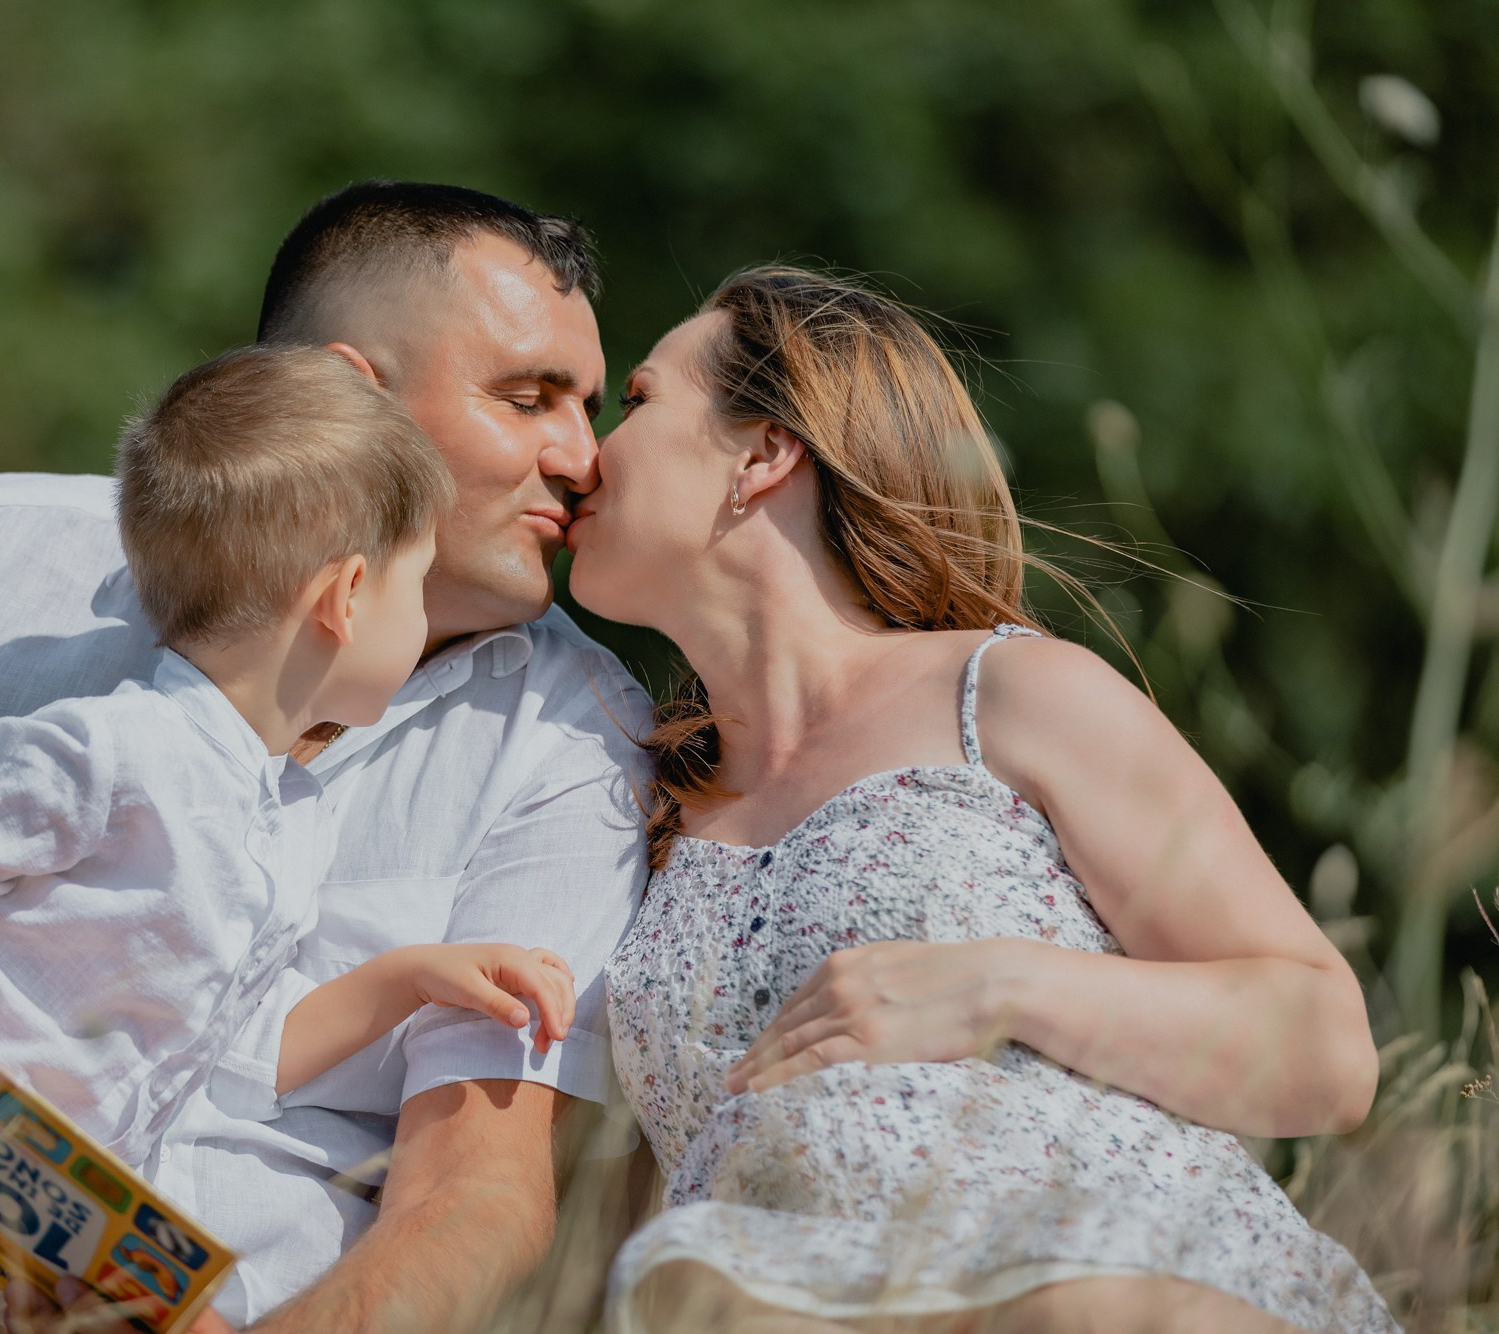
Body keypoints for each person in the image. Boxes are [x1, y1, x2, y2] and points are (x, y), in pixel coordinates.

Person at [0, 182, 651, 1332]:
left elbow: (473, 1194)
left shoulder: (578, 735)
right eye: (529, 398)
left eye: (586, 406)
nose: (581, 458)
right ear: (359, 395)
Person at [565, 266, 1395, 1332]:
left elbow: (1324, 1047)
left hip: (1123, 1293)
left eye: (634, 401)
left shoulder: (1011, 693)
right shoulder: (639, 808)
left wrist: (1000, 984)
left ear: (762, 451)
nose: (587, 449)